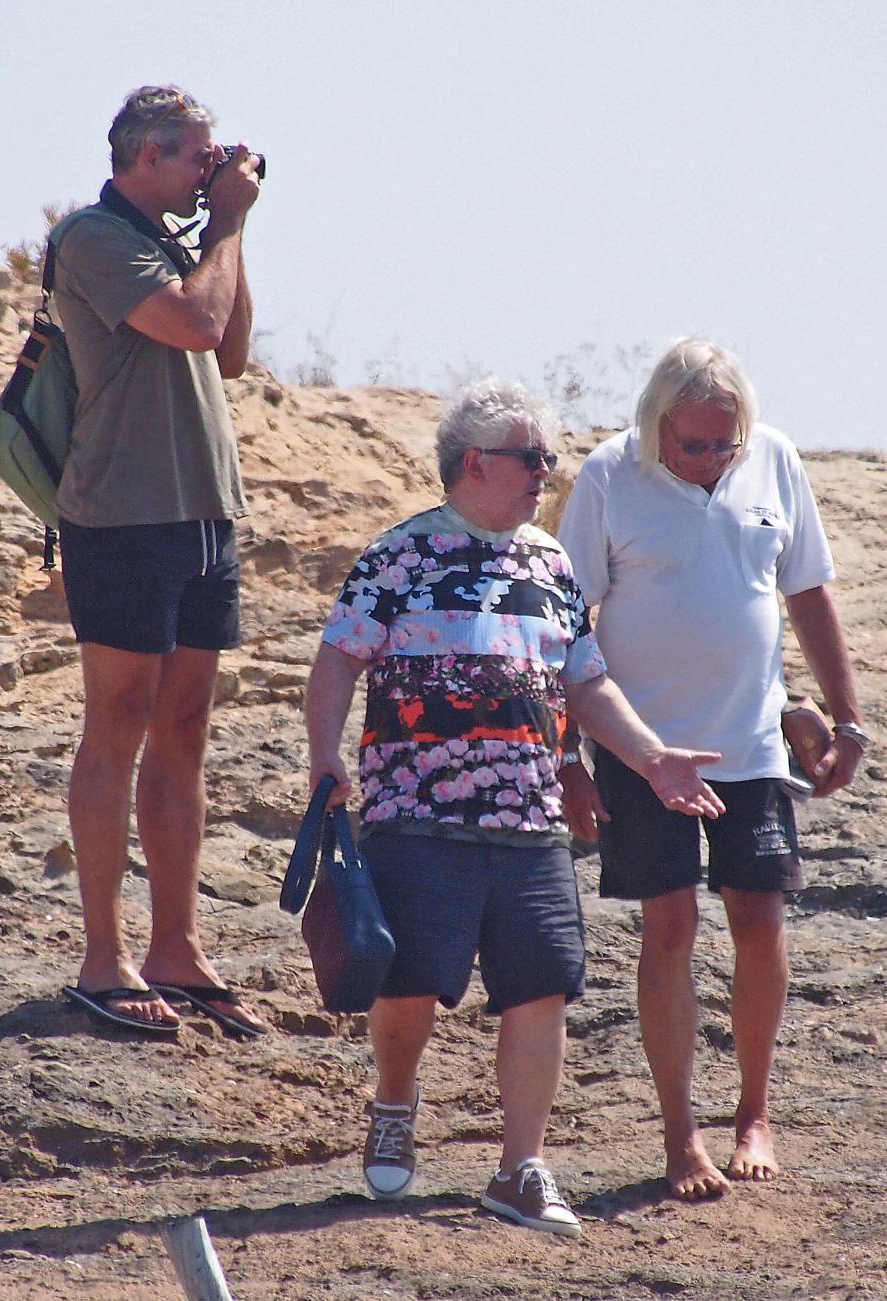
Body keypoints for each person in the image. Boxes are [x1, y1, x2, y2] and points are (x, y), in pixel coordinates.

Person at [304, 379, 725, 1236]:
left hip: (531, 819)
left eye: (549, 458)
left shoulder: (550, 561)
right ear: (474, 463)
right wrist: (324, 756)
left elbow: (587, 679)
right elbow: (338, 660)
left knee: (541, 987)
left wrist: (649, 759)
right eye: (531, 458)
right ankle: (394, 1102)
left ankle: (520, 1168)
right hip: (414, 810)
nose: (547, 472)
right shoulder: (399, 555)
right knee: (411, 980)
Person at [556, 337, 870, 1200]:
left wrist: (847, 718)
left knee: (761, 923)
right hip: (642, 751)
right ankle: (679, 1133)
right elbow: (561, 618)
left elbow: (807, 590)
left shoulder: (772, 461)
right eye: (691, 444)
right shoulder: (608, 476)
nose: (707, 460)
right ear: (657, 425)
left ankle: (755, 1113)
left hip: (753, 744)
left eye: (722, 443)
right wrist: (565, 756)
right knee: (669, 930)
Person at [55, 86, 265, 1037]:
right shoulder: (94, 237)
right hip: (124, 515)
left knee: (184, 726)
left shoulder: (187, 244)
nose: (209, 170)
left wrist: (227, 229)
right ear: (144, 158)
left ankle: (176, 946)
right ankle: (106, 955)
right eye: (194, 156)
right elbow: (193, 325)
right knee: (121, 719)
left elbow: (230, 354)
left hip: (202, 514)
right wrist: (223, 220)